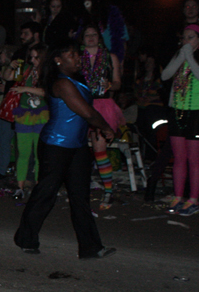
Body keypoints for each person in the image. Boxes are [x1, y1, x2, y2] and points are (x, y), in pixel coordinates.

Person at [14, 41, 116, 259]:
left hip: (77, 146)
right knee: (46, 194)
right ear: (58, 59)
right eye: (72, 54)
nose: (78, 58)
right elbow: (87, 112)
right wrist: (105, 127)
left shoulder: (76, 81)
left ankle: (90, 247)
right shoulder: (61, 83)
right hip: (56, 145)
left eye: (77, 54)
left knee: (80, 197)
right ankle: (25, 237)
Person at [160, 25, 199, 216]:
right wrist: (182, 56)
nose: (187, 41)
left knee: (194, 158)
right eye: (184, 37)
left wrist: (190, 57)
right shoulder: (180, 53)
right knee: (178, 157)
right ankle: (178, 196)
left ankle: (193, 199)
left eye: (191, 37)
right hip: (178, 109)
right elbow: (165, 75)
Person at [79, 25, 126, 210]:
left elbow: (118, 84)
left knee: (100, 150)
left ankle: (108, 191)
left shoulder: (110, 57)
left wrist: (109, 85)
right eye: (87, 35)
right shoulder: (78, 58)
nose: (90, 38)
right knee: (78, 150)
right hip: (82, 104)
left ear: (100, 37)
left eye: (94, 35)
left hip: (102, 105)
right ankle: (81, 188)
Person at [10, 43, 48, 200]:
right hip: (24, 114)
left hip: (42, 115)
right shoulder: (25, 69)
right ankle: (19, 188)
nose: (32, 60)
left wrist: (26, 89)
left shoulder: (48, 72)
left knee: (40, 154)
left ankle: (38, 187)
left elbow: (46, 91)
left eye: (36, 57)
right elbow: (8, 77)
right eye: (31, 57)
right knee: (24, 153)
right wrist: (9, 66)